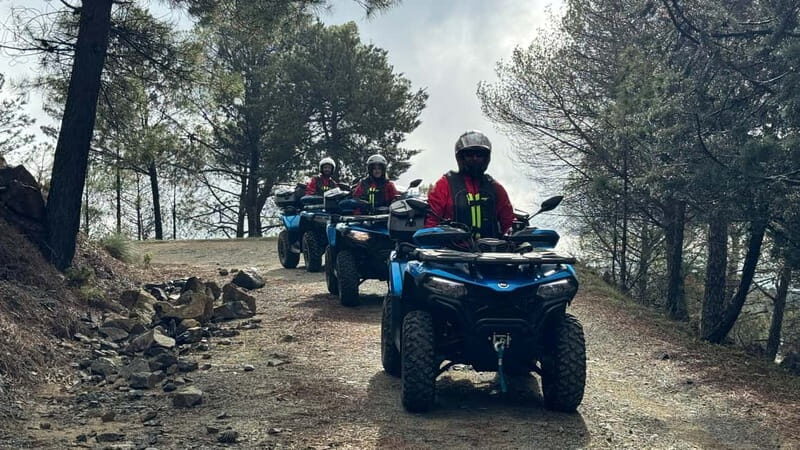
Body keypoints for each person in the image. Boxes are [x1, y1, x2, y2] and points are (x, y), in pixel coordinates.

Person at [425, 130, 514, 238]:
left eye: (479, 154)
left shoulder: (495, 188)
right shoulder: (445, 184)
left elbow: (509, 223)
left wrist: (515, 236)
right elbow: (431, 221)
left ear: (486, 158)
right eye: (470, 154)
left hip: (492, 251)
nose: (475, 158)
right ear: (461, 157)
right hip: (451, 252)